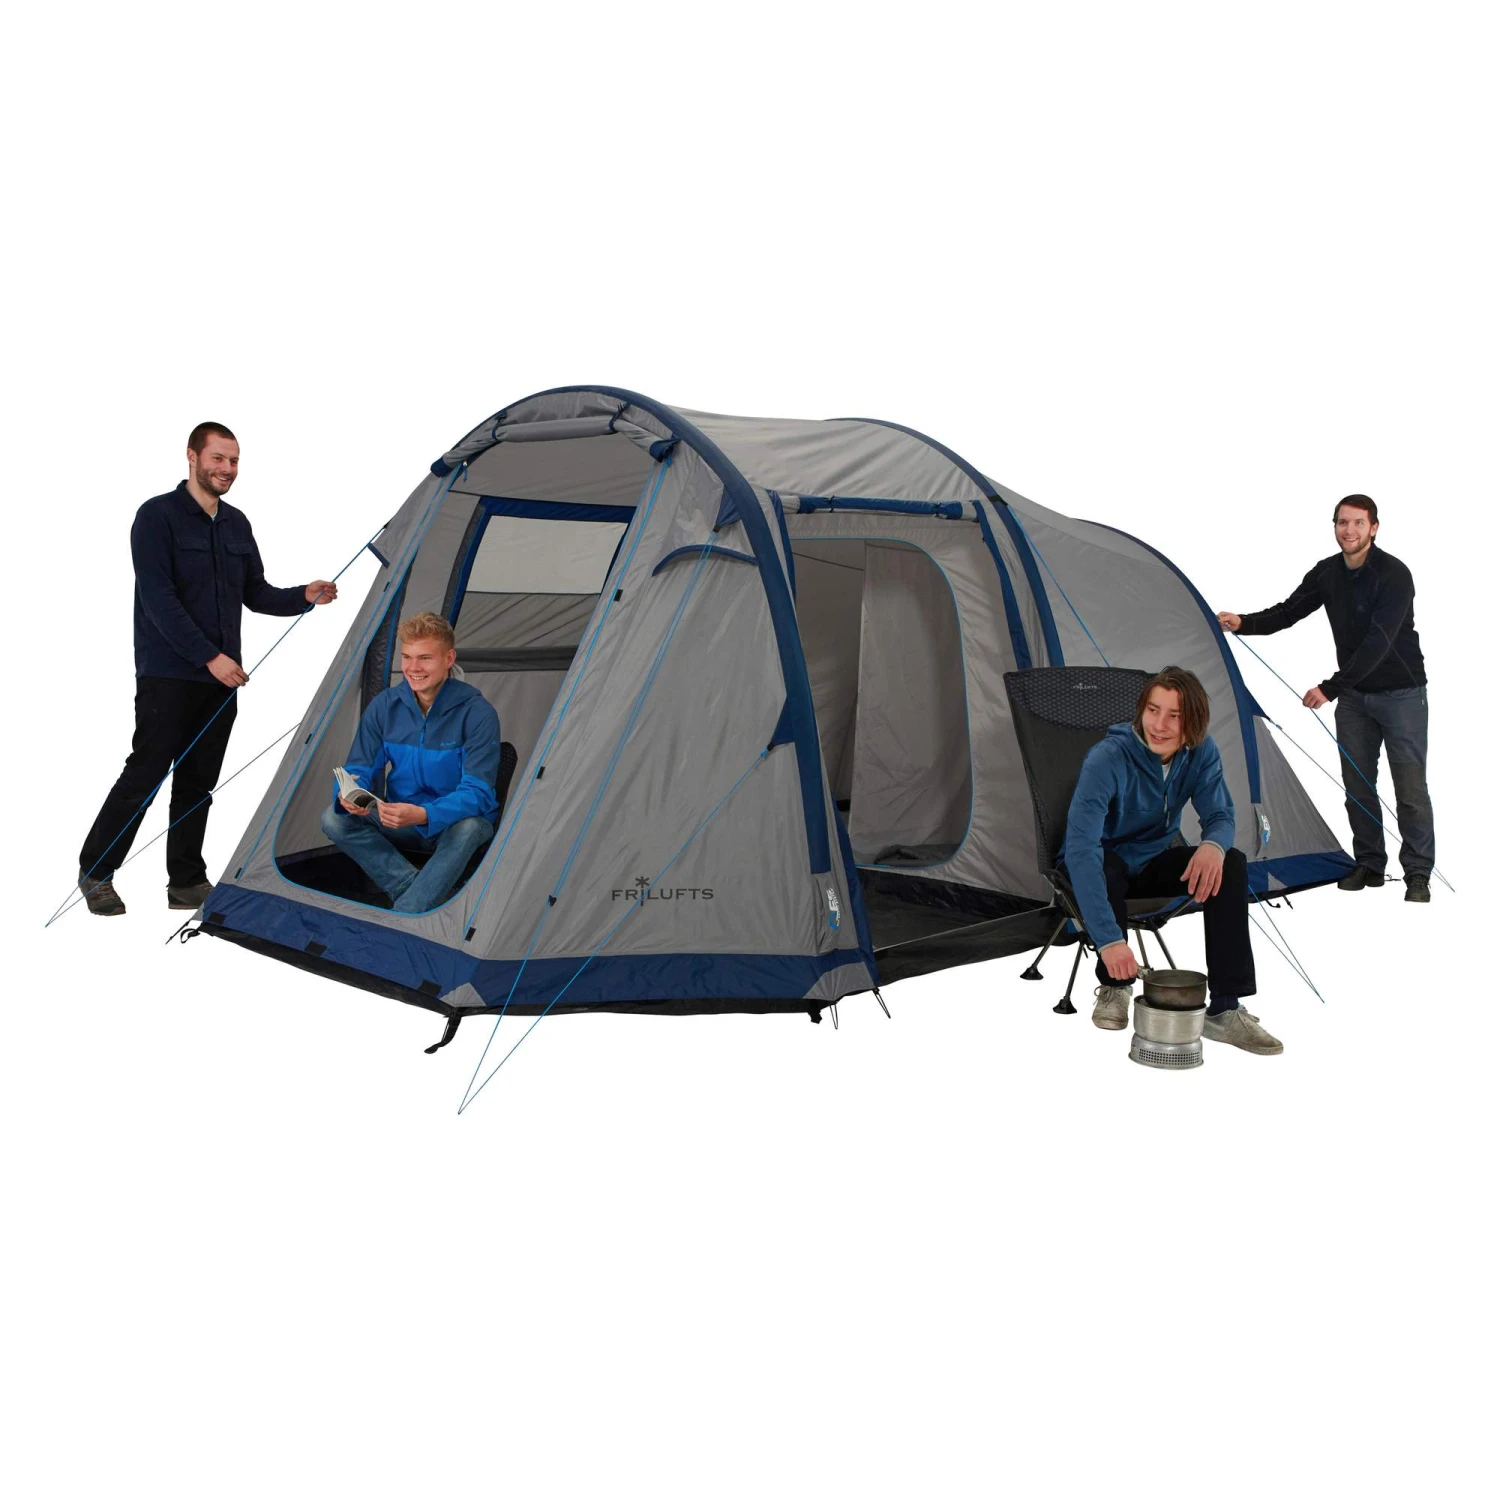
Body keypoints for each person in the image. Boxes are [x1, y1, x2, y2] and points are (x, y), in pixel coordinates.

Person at [78, 424, 338, 916]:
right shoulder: (156, 517)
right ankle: (96, 872)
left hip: (220, 680)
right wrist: (210, 657)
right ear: (192, 456)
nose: (227, 469)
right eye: (218, 458)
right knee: (145, 775)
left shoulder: (237, 524)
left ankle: (186, 882)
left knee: (198, 784)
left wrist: (302, 596)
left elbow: (256, 592)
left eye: (234, 460)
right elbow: (160, 600)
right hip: (169, 675)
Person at [1217, 494, 1432, 902]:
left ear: (1374, 528)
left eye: (1358, 523)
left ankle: (1418, 873)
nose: (1349, 530)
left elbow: (1379, 643)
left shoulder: (1394, 575)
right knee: (1358, 787)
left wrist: (1330, 688)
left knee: (1410, 791)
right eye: (1341, 522)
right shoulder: (1327, 573)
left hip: (1401, 695)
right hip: (1354, 700)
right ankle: (1369, 863)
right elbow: (1288, 612)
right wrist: (1243, 623)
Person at [1062, 665, 1283, 1054]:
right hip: (1098, 861)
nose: (1159, 725)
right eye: (1153, 710)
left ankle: (1225, 1009)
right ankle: (1115, 986)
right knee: (1106, 868)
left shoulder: (1200, 753)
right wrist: (1109, 941)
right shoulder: (1107, 759)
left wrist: (1213, 846)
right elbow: (1081, 849)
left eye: (1174, 715)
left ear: (1192, 722)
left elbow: (1220, 815)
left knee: (1231, 862)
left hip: (1150, 861)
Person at [319, 612, 500, 913]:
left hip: (455, 823)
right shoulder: (385, 706)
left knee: (470, 828)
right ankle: (411, 887)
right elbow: (359, 766)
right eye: (407, 657)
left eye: (425, 658)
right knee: (333, 818)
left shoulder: (478, 713)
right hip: (400, 818)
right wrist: (349, 795)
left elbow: (478, 794)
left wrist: (425, 814)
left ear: (448, 658)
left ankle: (405, 912)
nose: (413, 668)